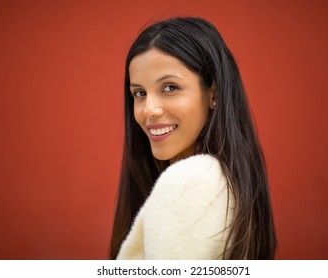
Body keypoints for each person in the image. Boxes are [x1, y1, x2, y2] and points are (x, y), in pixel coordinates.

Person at [109, 17, 276, 260]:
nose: (149, 110)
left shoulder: (187, 181)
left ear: (213, 93)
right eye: (140, 93)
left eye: (170, 88)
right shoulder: (224, 181)